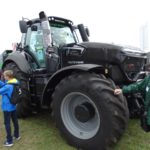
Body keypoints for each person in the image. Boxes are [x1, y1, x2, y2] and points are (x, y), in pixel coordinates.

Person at [0, 70, 20, 147]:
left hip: (7, 108)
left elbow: (2, 90)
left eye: (4, 76)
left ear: (8, 77)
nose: (4, 77)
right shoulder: (15, 83)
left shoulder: (8, 87)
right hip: (13, 106)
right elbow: (4, 85)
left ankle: (9, 141)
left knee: (7, 123)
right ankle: (17, 135)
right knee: (15, 121)